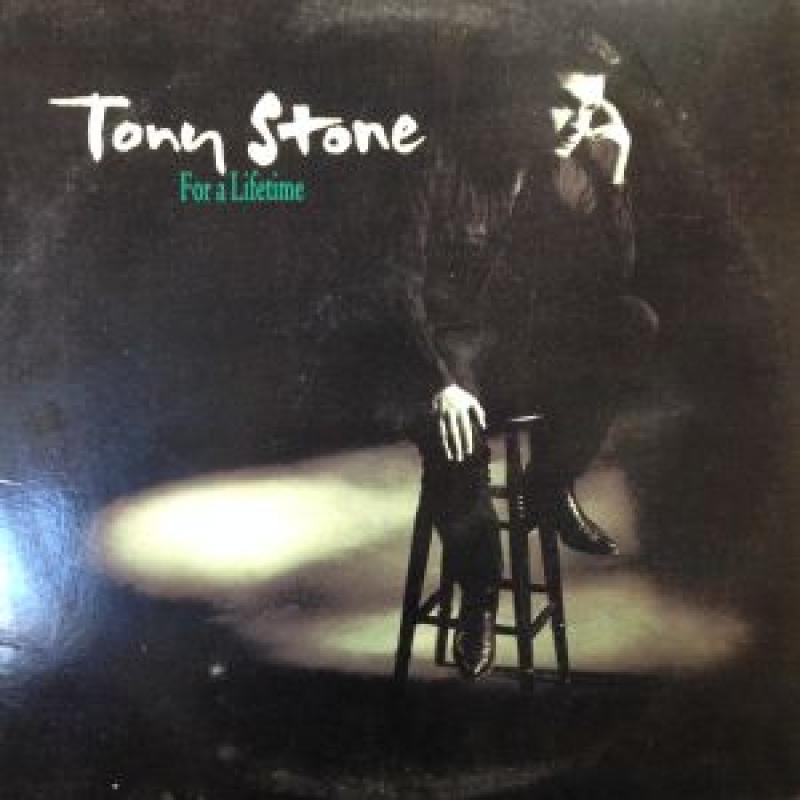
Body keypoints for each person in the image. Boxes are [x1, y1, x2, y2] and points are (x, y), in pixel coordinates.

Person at [400, 31, 659, 679]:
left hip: (522, 355)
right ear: (519, 95)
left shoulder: (572, 168)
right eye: (564, 104)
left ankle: (547, 486)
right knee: (454, 438)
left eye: (590, 110)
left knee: (632, 319)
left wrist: (617, 173)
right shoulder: (443, 160)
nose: (578, 124)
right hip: (447, 353)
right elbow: (395, 281)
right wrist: (438, 379)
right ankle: (479, 597)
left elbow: (612, 279)